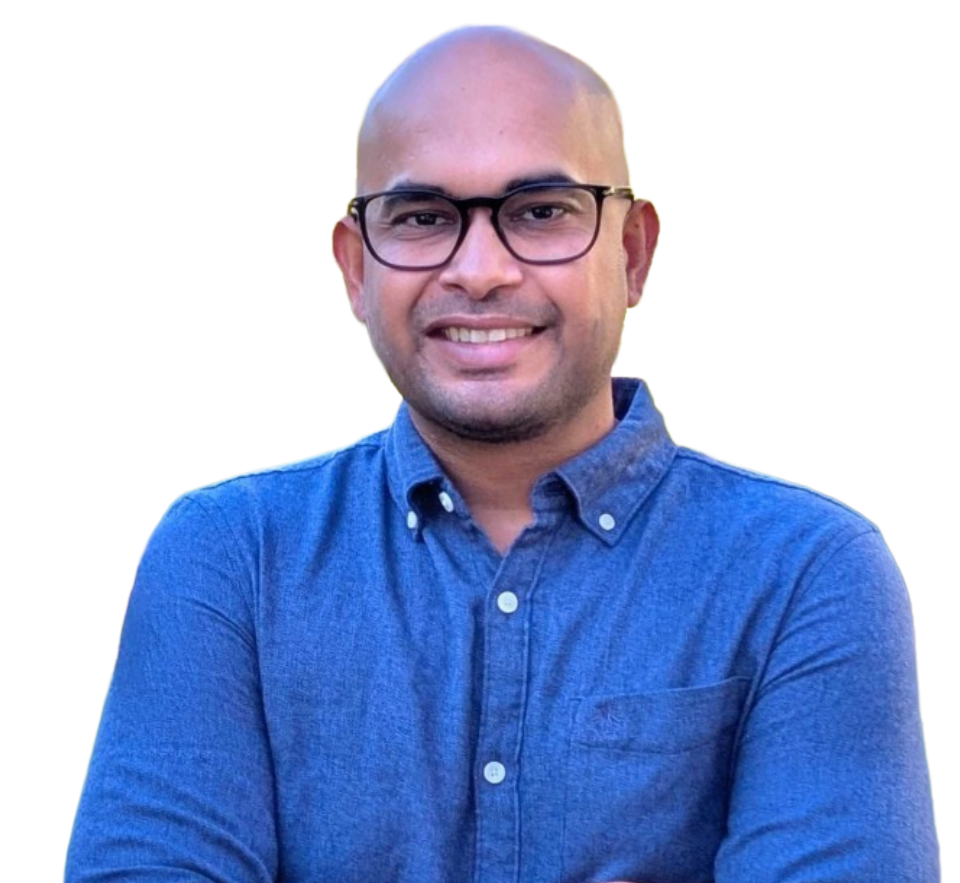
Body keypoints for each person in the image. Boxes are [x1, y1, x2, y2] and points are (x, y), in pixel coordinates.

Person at [65, 22, 939, 883]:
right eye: (422, 217)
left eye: (541, 211)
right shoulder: (228, 556)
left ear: (632, 254)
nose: (479, 269)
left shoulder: (806, 571)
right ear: (356, 269)